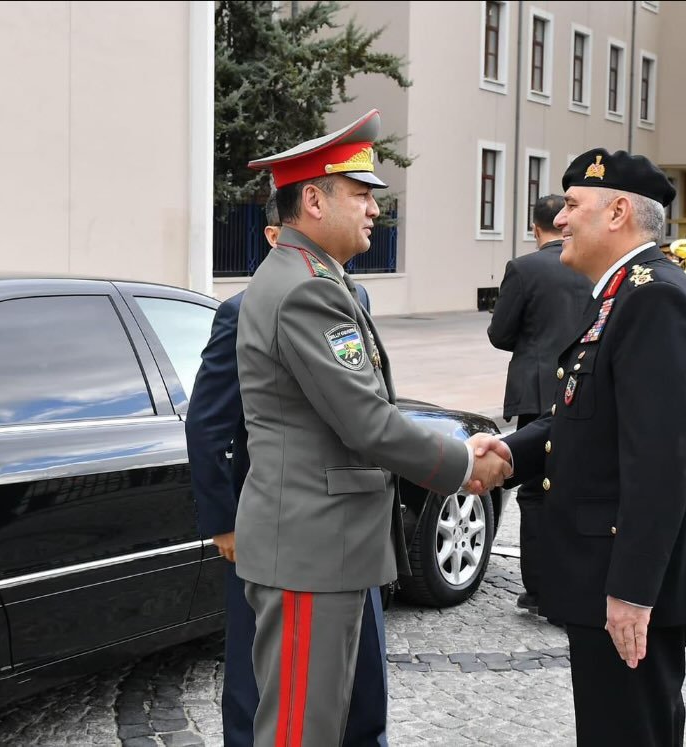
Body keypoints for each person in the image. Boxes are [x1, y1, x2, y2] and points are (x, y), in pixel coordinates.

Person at [234, 109, 510, 746]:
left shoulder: (316, 280)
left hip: (328, 546)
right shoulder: (306, 290)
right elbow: (367, 421)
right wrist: (464, 464)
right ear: (312, 199)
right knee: (302, 730)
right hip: (312, 549)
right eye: (359, 195)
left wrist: (455, 450)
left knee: (331, 721)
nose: (373, 210)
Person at [486, 148, 686, 746]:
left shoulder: (653, 298)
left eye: (572, 205)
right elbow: (589, 419)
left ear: (618, 210)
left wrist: (630, 592)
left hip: (631, 582)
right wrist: (508, 452)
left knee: (625, 735)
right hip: (615, 571)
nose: (560, 220)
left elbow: (660, 460)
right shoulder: (622, 293)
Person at [185, 194, 388, 747]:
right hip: (280, 530)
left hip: (350, 528)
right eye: (362, 196)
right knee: (263, 684)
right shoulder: (244, 308)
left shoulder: (355, 294)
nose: (373, 209)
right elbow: (208, 426)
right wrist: (224, 522)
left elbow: (364, 406)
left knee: (364, 679)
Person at [487, 194, 592, 616]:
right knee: (576, 489)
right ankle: (576, 586)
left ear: (535, 229)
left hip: (537, 393)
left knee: (534, 494)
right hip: (582, 391)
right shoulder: (590, 266)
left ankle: (540, 591)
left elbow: (500, 333)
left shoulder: (524, 268)